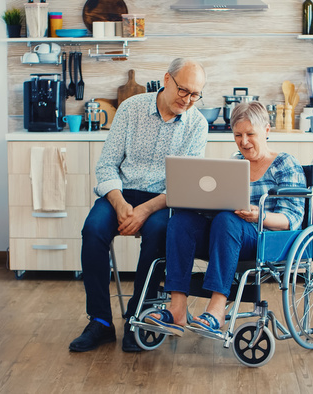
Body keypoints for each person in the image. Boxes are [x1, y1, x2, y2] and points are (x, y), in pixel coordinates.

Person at [69, 58, 208, 352]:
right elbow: (107, 165)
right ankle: (100, 322)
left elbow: (184, 185)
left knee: (159, 234)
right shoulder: (131, 109)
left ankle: (137, 318)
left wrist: (145, 210)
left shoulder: (197, 124)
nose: (188, 100)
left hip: (163, 200)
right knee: (92, 230)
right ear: (167, 80)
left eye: (195, 95)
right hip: (122, 192)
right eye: (184, 90)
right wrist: (119, 203)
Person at [145, 101, 306, 336]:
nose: (244, 142)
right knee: (182, 221)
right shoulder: (234, 163)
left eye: (250, 134)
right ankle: (177, 309)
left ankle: (217, 309)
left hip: (264, 239)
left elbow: (292, 219)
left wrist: (259, 215)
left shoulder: (284, 164)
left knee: (226, 221)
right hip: (227, 236)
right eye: (238, 135)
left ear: (267, 131)